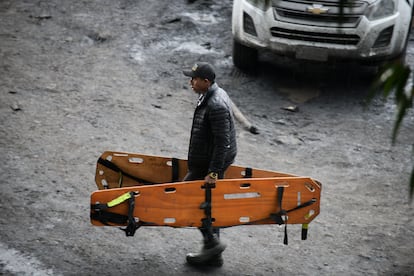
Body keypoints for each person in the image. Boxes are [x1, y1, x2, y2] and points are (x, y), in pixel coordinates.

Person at [182, 62, 237, 267]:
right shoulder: (210, 95)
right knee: (209, 206)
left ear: (206, 82)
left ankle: (212, 244)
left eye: (194, 79)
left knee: (187, 198)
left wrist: (213, 172)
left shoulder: (216, 105)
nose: (190, 82)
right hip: (206, 159)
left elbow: (223, 142)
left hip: (210, 163)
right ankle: (214, 257)